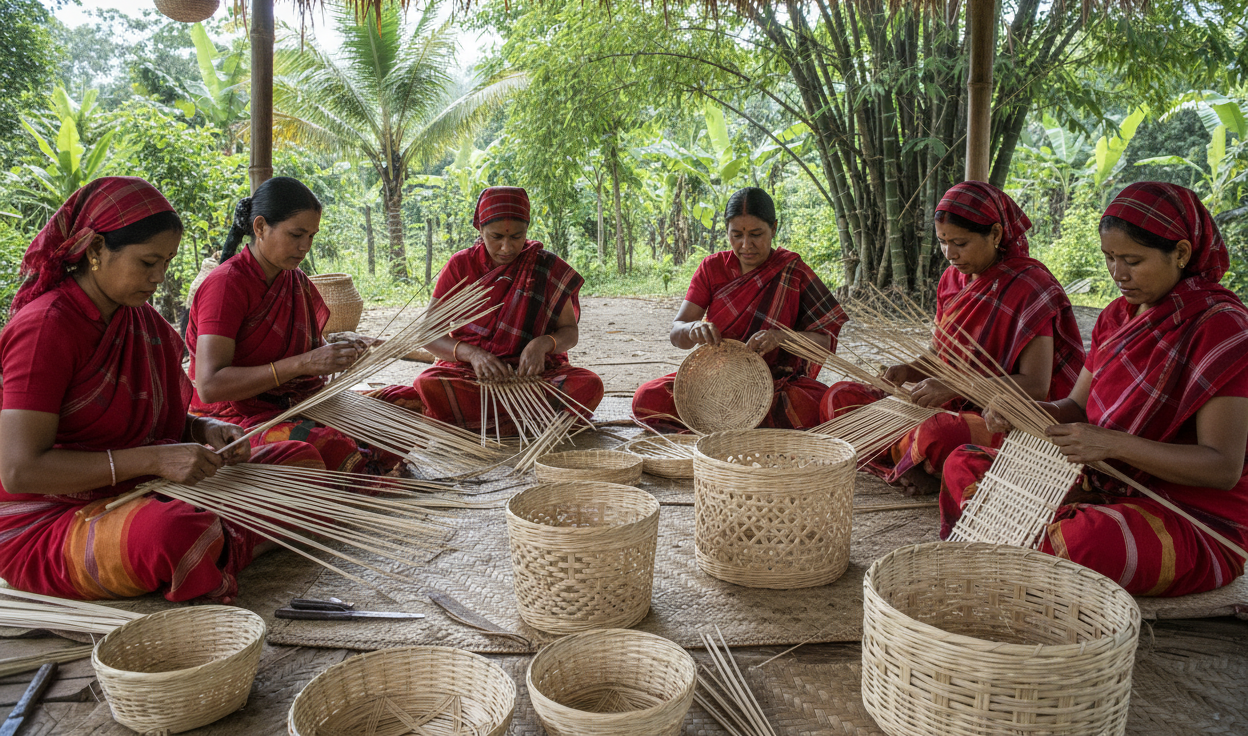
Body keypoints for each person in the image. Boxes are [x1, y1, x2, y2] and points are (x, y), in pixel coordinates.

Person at [0, 177, 321, 602]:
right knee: (175, 533)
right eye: (148, 262)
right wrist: (156, 458)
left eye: (166, 263)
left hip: (143, 488)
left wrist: (202, 430)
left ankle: (219, 546)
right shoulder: (46, 327)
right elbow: (21, 470)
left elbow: (156, 420)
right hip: (55, 516)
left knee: (302, 459)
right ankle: (220, 542)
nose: (158, 277)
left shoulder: (140, 320)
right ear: (95, 250)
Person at [942, 182, 1248, 597]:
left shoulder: (1220, 326)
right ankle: (1032, 543)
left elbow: (1222, 467)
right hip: (1102, 483)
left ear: (1180, 252)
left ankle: (1026, 544)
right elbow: (1074, 407)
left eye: (1133, 260)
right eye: (1109, 259)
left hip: (1189, 515)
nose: (1118, 273)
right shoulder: (1115, 318)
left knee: (1085, 542)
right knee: (963, 462)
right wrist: (1021, 411)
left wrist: (1112, 445)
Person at [819, 181, 1085, 494]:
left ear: (996, 234)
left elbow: (1036, 385)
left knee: (939, 434)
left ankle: (916, 458)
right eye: (943, 241)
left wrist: (955, 386)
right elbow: (939, 355)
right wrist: (908, 370)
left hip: (1001, 418)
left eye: (960, 242)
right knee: (840, 398)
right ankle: (917, 461)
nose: (950, 253)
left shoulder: (1030, 287)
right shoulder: (952, 280)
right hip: (950, 404)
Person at [186, 177, 419, 476]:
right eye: (297, 234)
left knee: (406, 402)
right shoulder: (226, 285)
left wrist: (342, 351)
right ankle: (360, 464)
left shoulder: (294, 280)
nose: (305, 246)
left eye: (311, 236)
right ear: (259, 228)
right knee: (313, 446)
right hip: (235, 419)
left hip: (299, 403)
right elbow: (209, 386)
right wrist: (305, 363)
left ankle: (358, 465)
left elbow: (310, 352)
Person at [632, 187, 846, 431]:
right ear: (727, 232)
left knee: (821, 405)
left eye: (756, 234)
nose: (746, 245)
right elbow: (676, 334)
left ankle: (723, 426)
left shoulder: (793, 272)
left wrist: (782, 337)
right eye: (736, 235)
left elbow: (825, 342)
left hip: (775, 385)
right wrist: (694, 329)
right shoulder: (712, 268)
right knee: (646, 398)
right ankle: (741, 427)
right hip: (714, 383)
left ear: (774, 228)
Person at [409, 186, 603, 433]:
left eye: (516, 236)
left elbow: (569, 332)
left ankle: (482, 422)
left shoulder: (546, 266)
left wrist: (541, 345)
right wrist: (474, 355)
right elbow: (428, 333)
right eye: (496, 236)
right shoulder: (461, 265)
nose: (506, 248)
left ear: (527, 231)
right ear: (480, 230)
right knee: (428, 384)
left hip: (532, 377)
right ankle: (528, 422)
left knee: (589, 384)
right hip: (473, 376)